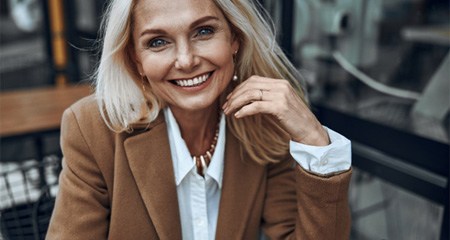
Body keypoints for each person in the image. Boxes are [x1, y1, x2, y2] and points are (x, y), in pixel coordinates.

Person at [47, 0, 352, 239]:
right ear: (135, 58)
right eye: (157, 42)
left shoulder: (263, 123)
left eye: (203, 31)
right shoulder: (93, 128)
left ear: (234, 38)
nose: (186, 60)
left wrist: (316, 143)